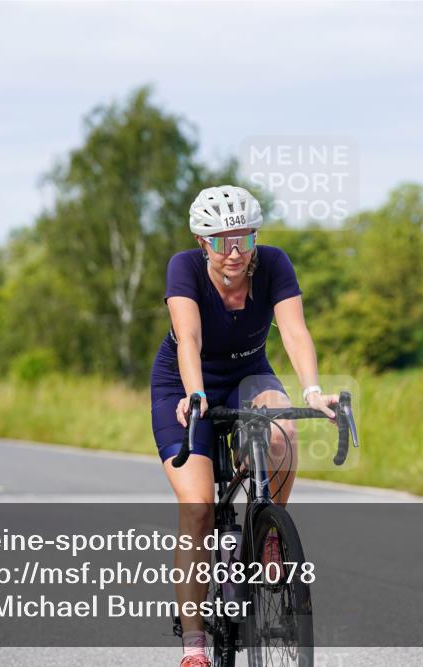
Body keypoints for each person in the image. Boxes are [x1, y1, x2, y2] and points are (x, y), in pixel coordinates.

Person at [150, 185, 338, 667]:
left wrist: (312, 389)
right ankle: (195, 646)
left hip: (248, 373)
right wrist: (196, 397)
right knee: (198, 509)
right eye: (221, 242)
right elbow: (188, 338)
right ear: (201, 241)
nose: (234, 253)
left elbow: (294, 331)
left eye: (244, 240)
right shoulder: (183, 268)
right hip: (185, 385)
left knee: (281, 432)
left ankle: (268, 534)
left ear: (256, 237)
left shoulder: (274, 264)